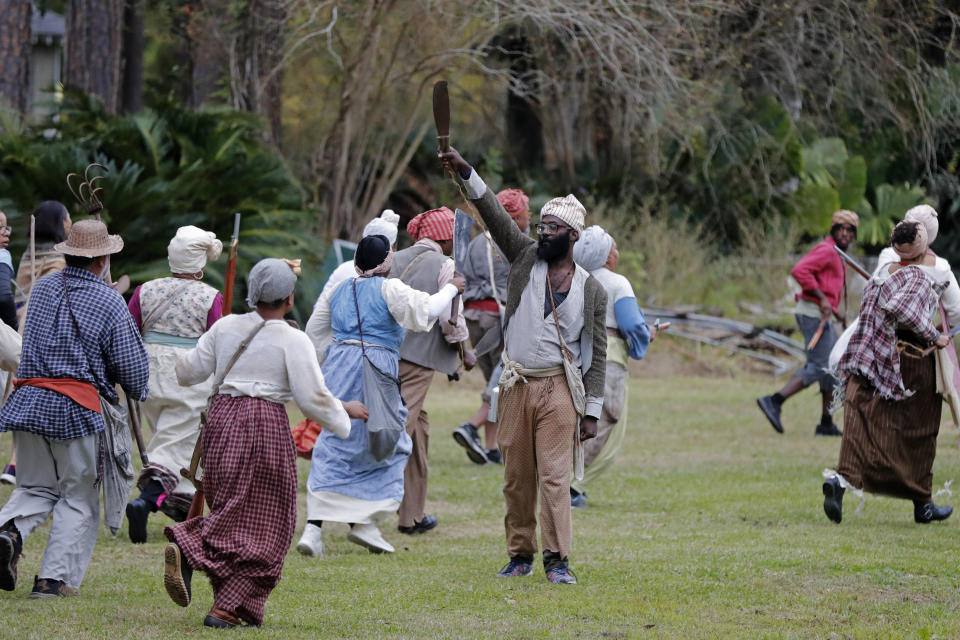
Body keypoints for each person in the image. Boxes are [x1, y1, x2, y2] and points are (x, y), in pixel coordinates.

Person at [162, 258, 361, 628]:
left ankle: (232, 605)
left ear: (252, 294)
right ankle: (195, 556)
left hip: (220, 422)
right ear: (289, 298)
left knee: (231, 508)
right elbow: (312, 399)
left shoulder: (224, 328)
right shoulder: (291, 338)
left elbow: (187, 371)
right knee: (272, 521)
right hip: (264, 425)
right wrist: (344, 422)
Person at [441, 146, 607, 585]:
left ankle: (557, 561)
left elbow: (598, 354)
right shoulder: (522, 258)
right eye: (541, 225)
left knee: (554, 477)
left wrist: (591, 411)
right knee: (517, 478)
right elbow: (493, 213)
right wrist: (466, 172)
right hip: (514, 385)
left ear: (573, 235)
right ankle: (520, 555)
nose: (542, 231)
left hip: (558, 390)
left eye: (552, 228)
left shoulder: (592, 290)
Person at [0, 219, 149, 598]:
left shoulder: (44, 287)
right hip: (77, 409)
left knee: (33, 486)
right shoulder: (109, 300)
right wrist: (135, 387)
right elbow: (133, 370)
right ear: (102, 258)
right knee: (78, 497)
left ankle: (8, 533)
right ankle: (53, 581)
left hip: (29, 401)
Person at [297, 234, 466, 557]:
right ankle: (365, 522)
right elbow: (427, 309)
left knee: (335, 441)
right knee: (391, 441)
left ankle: (323, 529)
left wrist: (324, 368)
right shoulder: (390, 287)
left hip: (339, 367)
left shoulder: (339, 288)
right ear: (386, 260)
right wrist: (451, 288)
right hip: (378, 369)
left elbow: (315, 333)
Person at [822, 221, 953, 524]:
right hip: (907, 362)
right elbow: (906, 311)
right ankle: (923, 503)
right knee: (919, 430)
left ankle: (841, 483)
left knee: (859, 425)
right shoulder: (926, 276)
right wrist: (937, 337)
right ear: (923, 247)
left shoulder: (882, 273)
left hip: (866, 359)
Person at [124, 226, 224, 541]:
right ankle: (146, 501)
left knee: (171, 440)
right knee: (175, 443)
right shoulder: (210, 297)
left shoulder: (145, 290)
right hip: (188, 375)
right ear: (200, 264)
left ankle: (180, 505)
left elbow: (130, 330)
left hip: (148, 374)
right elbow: (216, 341)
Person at [388, 206, 470, 535]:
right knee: (397, 433)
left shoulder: (392, 257)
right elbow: (451, 319)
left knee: (417, 428)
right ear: (444, 237)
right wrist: (464, 350)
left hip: (386, 354)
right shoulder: (445, 264)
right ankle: (365, 508)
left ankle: (412, 516)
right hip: (420, 359)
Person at [569, 226, 654, 508]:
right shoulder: (618, 283)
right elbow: (631, 324)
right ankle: (571, 484)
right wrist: (646, 334)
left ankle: (562, 479)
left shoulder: (572, 279)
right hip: (608, 358)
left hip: (574, 356)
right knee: (605, 418)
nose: (618, 253)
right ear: (605, 255)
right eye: (615, 249)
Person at [757, 210, 858, 436]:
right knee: (820, 364)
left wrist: (838, 314)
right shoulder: (827, 250)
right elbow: (799, 270)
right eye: (840, 228)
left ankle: (826, 422)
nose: (844, 233)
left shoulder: (838, 254)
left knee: (830, 368)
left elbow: (827, 286)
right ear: (833, 229)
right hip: (812, 314)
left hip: (822, 314)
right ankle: (774, 401)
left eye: (849, 230)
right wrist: (822, 299)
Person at [452, 189, 531, 465]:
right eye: (525, 215)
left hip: (473, 317)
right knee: (503, 384)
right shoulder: (512, 244)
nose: (528, 221)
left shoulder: (476, 242)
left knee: (493, 382)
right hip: (499, 318)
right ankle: (471, 427)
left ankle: (491, 448)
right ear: (514, 218)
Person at [3, 201, 72, 486]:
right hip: (42, 339)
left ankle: (14, 464)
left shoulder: (26, 257)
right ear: (59, 222)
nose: (70, 224)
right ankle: (20, 465)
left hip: (18, 333)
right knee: (37, 399)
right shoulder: (59, 263)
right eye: (68, 219)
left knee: (23, 397)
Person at [305, 209, 401, 364]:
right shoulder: (381, 283)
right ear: (390, 249)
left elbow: (316, 320)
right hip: (347, 356)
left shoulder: (344, 268)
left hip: (328, 350)